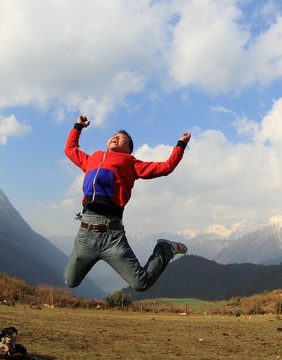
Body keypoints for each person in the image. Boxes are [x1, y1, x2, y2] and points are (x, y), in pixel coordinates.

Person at [63, 115, 192, 292]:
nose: (116, 137)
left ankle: (165, 248)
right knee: (70, 281)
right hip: (85, 235)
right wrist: (78, 126)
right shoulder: (92, 158)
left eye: (122, 138)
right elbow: (70, 149)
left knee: (140, 283)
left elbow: (166, 167)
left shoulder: (129, 163)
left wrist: (181, 145)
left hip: (112, 236)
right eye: (114, 135)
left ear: (128, 149)